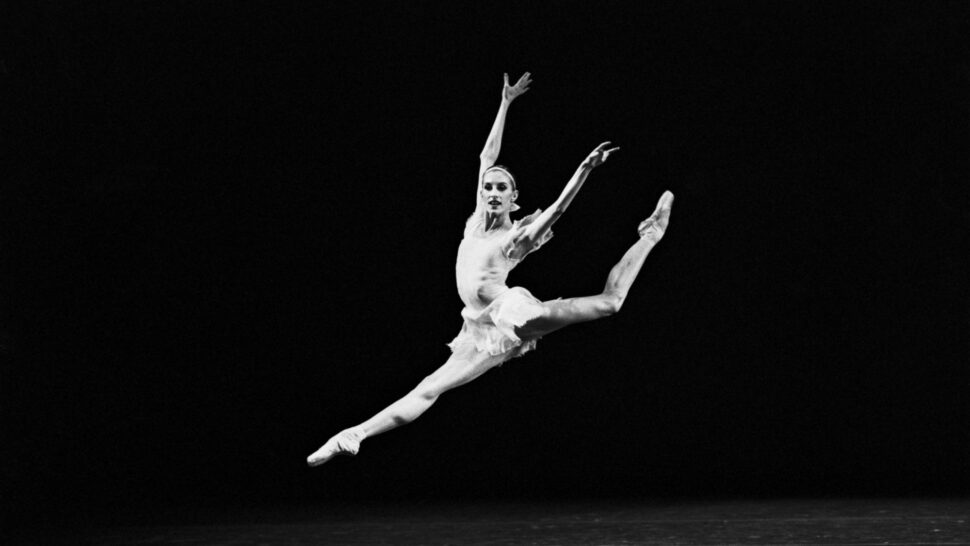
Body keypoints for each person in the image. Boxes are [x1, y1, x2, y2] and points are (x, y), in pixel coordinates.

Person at [307, 72, 673, 467]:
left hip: (512, 314)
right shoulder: (472, 224)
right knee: (429, 387)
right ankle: (353, 434)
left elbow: (556, 211)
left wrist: (584, 168)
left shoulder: (514, 238)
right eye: (489, 187)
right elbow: (487, 158)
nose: (493, 192)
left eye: (502, 189)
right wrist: (505, 103)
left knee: (611, 304)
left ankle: (649, 236)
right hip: (479, 326)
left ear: (514, 200)